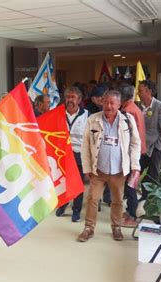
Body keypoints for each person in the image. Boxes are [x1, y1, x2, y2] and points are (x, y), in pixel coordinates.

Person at [78, 90, 141, 242]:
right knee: (92, 199)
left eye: (113, 103)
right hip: (98, 170)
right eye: (106, 102)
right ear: (102, 102)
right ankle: (88, 228)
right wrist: (86, 168)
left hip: (119, 170)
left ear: (119, 104)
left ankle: (116, 228)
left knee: (118, 200)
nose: (109, 106)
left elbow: (135, 143)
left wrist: (134, 165)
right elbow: (85, 146)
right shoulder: (93, 119)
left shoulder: (127, 120)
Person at [55, 87, 88, 222]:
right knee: (63, 182)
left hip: (79, 155)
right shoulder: (58, 114)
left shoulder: (87, 115)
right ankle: (63, 204)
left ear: (79, 100)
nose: (70, 100)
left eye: (73, 97)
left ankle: (76, 210)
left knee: (78, 184)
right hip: (62, 154)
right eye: (68, 97)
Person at [118, 83, 147, 227]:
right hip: (137, 151)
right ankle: (130, 211)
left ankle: (133, 216)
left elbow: (128, 136)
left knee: (130, 186)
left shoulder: (127, 111)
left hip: (131, 153)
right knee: (131, 185)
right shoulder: (135, 108)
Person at [138, 80, 161, 201]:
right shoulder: (138, 106)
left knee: (153, 174)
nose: (138, 93)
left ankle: (153, 200)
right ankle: (144, 196)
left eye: (141, 91)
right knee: (140, 171)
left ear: (149, 92)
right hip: (141, 146)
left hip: (155, 146)